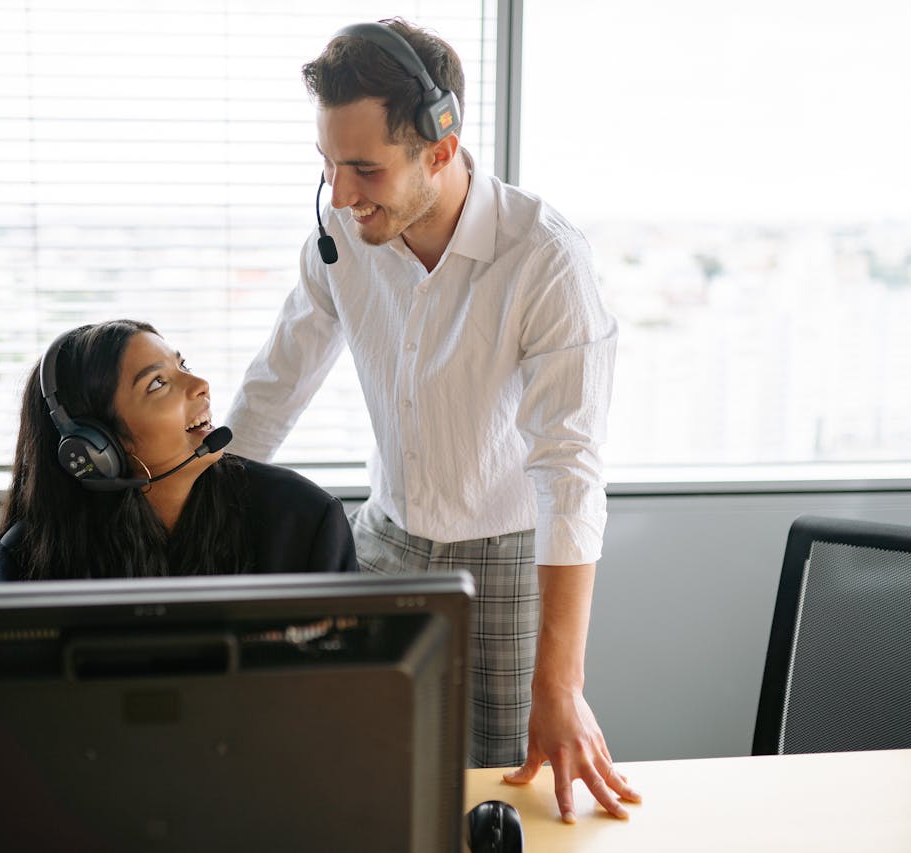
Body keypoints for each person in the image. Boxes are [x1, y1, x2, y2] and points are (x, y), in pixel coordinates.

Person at [224, 19, 639, 822]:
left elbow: (571, 471)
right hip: (387, 541)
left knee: (504, 798)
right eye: (328, 165)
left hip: (514, 557)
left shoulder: (544, 258)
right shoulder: (343, 235)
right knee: (355, 774)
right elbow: (273, 390)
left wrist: (561, 682)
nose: (340, 195)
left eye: (364, 169)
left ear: (440, 149)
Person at [0, 319, 358, 581]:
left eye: (183, 365)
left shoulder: (303, 519)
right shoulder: (32, 556)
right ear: (95, 447)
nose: (200, 384)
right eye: (158, 383)